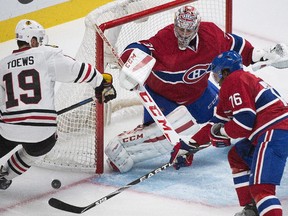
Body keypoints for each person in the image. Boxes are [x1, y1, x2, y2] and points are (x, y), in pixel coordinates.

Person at [105, 5, 287, 173]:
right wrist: (132, 61)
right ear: (175, 25)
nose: (184, 34)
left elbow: (237, 46)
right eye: (180, 29)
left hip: (199, 93)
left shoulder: (211, 35)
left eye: (189, 29)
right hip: (162, 95)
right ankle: (123, 145)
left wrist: (258, 56)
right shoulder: (164, 39)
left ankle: (265, 139)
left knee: (229, 119)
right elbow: (140, 47)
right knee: (162, 137)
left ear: (197, 27)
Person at [0, 19, 117, 190]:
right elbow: (77, 70)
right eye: (38, 40)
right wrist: (101, 83)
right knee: (38, 148)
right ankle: (5, 175)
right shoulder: (46, 54)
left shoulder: (2, 65)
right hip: (43, 134)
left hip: (9, 129)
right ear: (32, 41)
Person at [170, 50, 288, 216]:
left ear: (225, 71)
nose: (215, 78)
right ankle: (252, 210)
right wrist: (190, 145)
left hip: (275, 131)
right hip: (274, 130)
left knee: (262, 188)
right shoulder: (234, 85)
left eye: (216, 73)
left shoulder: (235, 79)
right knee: (237, 155)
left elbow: (245, 121)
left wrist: (223, 132)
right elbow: (217, 123)